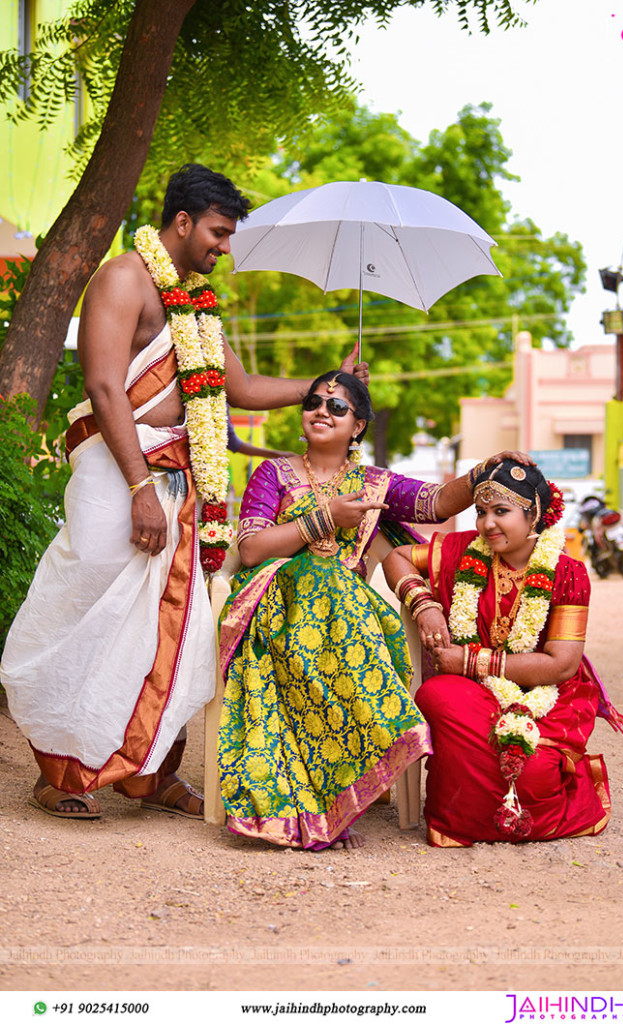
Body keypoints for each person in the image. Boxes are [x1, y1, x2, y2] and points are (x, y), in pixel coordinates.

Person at [0, 164, 367, 821]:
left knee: (173, 627)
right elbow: (109, 387)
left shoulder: (195, 305)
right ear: (182, 221)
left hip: (180, 482)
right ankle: (60, 773)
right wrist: (140, 485)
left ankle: (148, 772)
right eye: (219, 233)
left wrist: (326, 382)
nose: (225, 248)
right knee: (88, 613)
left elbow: (244, 390)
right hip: (122, 476)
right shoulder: (121, 279)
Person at [216, 371, 529, 850]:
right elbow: (254, 548)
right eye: (315, 402)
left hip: (344, 621)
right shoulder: (272, 474)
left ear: (358, 425)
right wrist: (324, 520)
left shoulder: (373, 484)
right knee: (326, 577)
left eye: (337, 407)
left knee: (339, 586)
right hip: (274, 607)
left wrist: (486, 470)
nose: (322, 410)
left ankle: (347, 780)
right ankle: (375, 743)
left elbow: (437, 502)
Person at [383, 459, 623, 848]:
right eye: (481, 512)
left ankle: (488, 811)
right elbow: (394, 558)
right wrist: (424, 604)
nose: (487, 524)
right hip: (472, 692)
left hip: (545, 696)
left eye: (502, 512)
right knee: (436, 695)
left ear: (534, 515)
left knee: (531, 773)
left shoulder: (568, 573)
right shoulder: (462, 550)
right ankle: (460, 818)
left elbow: (562, 665)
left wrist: (469, 662)